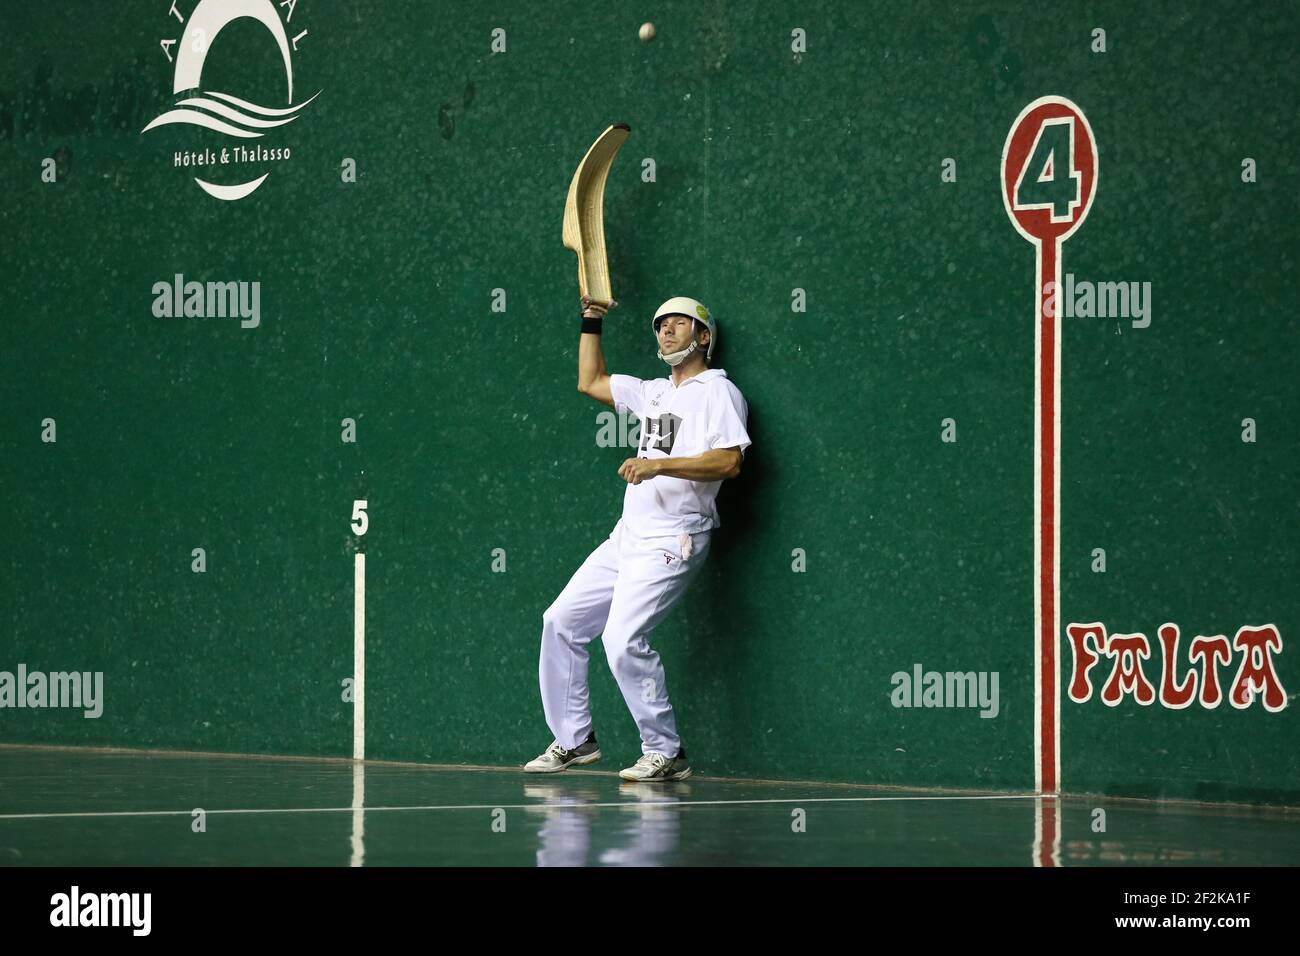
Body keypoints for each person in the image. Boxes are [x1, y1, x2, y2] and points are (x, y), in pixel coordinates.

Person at [524, 294, 752, 781]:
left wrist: (658, 466)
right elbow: (591, 381)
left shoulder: (719, 393)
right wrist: (591, 319)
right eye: (660, 325)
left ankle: (665, 750)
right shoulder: (652, 393)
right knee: (560, 621)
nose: (666, 331)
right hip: (627, 537)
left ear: (703, 337)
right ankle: (574, 739)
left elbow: (730, 460)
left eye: (678, 324)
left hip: (676, 539)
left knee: (623, 639)